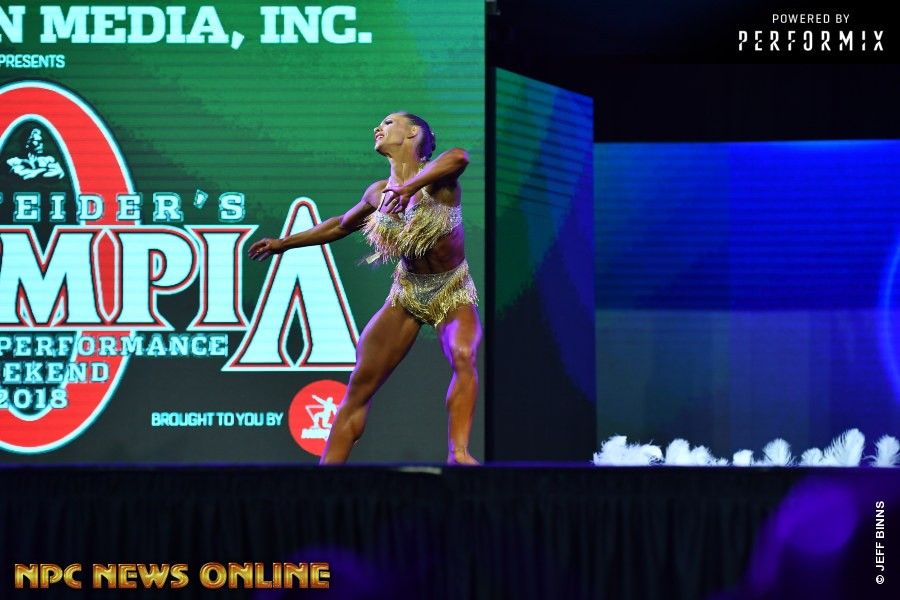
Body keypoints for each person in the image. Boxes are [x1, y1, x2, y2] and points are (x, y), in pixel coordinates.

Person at [248, 113, 480, 465]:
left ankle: (458, 455)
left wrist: (408, 188)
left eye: (388, 123)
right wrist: (283, 243)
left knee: (463, 354)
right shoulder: (377, 193)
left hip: (452, 289)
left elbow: (460, 156)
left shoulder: (438, 181)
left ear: (413, 132)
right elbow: (341, 225)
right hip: (407, 292)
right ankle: (327, 473)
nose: (378, 128)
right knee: (359, 385)